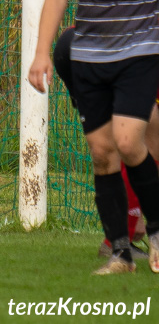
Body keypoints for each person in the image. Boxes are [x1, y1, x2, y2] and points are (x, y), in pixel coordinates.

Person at [28, 0, 159, 275]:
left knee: (128, 142)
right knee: (103, 155)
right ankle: (121, 252)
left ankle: (156, 233)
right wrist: (41, 53)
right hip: (88, 59)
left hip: (139, 55)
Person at [52, 27, 159, 259]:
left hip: (78, 46)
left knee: (122, 140)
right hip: (108, 52)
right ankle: (123, 236)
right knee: (141, 133)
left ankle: (124, 235)